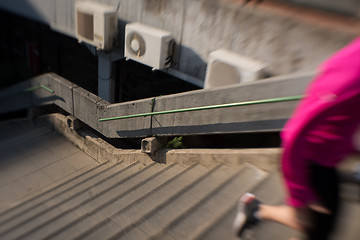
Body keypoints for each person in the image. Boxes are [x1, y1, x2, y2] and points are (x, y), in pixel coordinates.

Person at [233, 36, 360, 240]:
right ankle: (257, 210)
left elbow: (341, 118)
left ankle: (256, 210)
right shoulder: (353, 78)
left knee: (317, 224)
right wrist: (299, 196)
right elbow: (294, 134)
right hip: (314, 162)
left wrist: (349, 148)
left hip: (326, 155)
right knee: (318, 227)